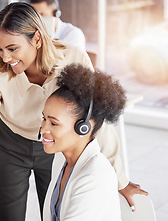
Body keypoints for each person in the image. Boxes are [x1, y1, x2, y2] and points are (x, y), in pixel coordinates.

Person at [0, 2, 145, 220]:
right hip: (8, 143)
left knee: (53, 212)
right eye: (0, 49)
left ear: (37, 39)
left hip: (52, 144)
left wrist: (121, 180)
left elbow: (95, 119)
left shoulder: (74, 58)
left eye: (12, 48)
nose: (5, 57)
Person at [41, 63, 126, 220]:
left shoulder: (94, 176)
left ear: (84, 127)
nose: (43, 129)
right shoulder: (61, 159)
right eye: (43, 118)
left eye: (53, 123)